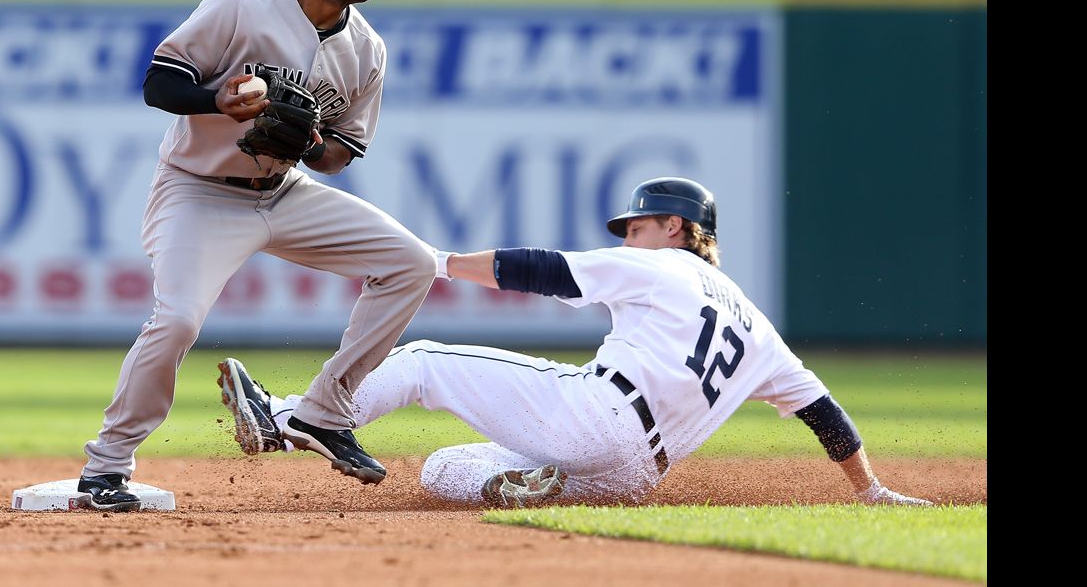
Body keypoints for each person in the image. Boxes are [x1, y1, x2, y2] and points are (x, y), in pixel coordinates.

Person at [220, 177, 933, 507]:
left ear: (678, 230)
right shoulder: (756, 326)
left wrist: (433, 262)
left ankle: (288, 420)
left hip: (598, 415)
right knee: (443, 468)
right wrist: (869, 491)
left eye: (640, 224)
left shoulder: (662, 265)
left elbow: (544, 271)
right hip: (635, 476)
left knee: (422, 360)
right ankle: (525, 486)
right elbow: (825, 414)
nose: (628, 235)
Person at [76, 0, 437, 512]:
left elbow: (335, 159)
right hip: (198, 189)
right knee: (178, 322)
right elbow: (159, 85)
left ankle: (323, 412)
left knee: (412, 264)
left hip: (282, 192)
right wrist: (219, 100)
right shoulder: (240, 4)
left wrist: (306, 138)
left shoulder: (367, 49)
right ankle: (105, 467)